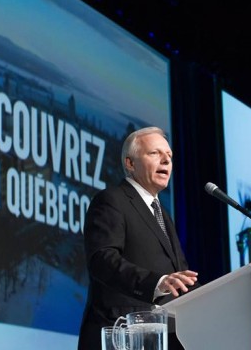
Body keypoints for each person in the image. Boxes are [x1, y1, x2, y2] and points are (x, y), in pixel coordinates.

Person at [77, 126, 199, 350]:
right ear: (130, 163)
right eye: (155, 153)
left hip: (160, 337)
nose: (166, 160)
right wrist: (156, 283)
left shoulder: (163, 214)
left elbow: (179, 275)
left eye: (169, 156)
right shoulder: (111, 200)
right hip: (120, 335)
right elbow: (102, 260)